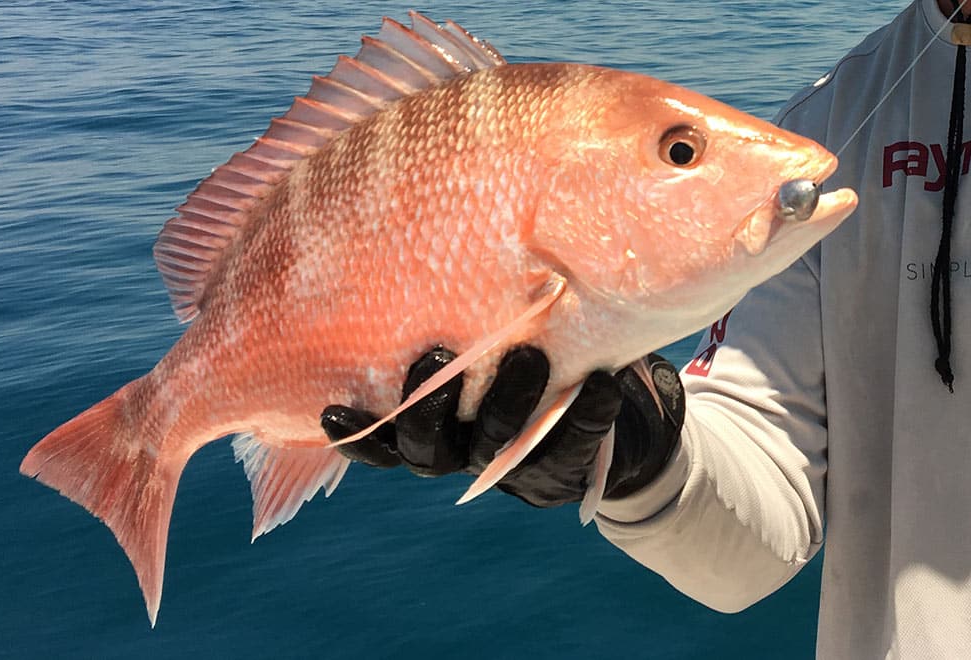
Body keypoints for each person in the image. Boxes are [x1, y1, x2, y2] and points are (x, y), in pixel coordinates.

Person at [322, 1, 971, 656]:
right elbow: (758, 528)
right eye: (680, 153)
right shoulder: (830, 122)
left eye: (680, 151)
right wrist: (641, 452)